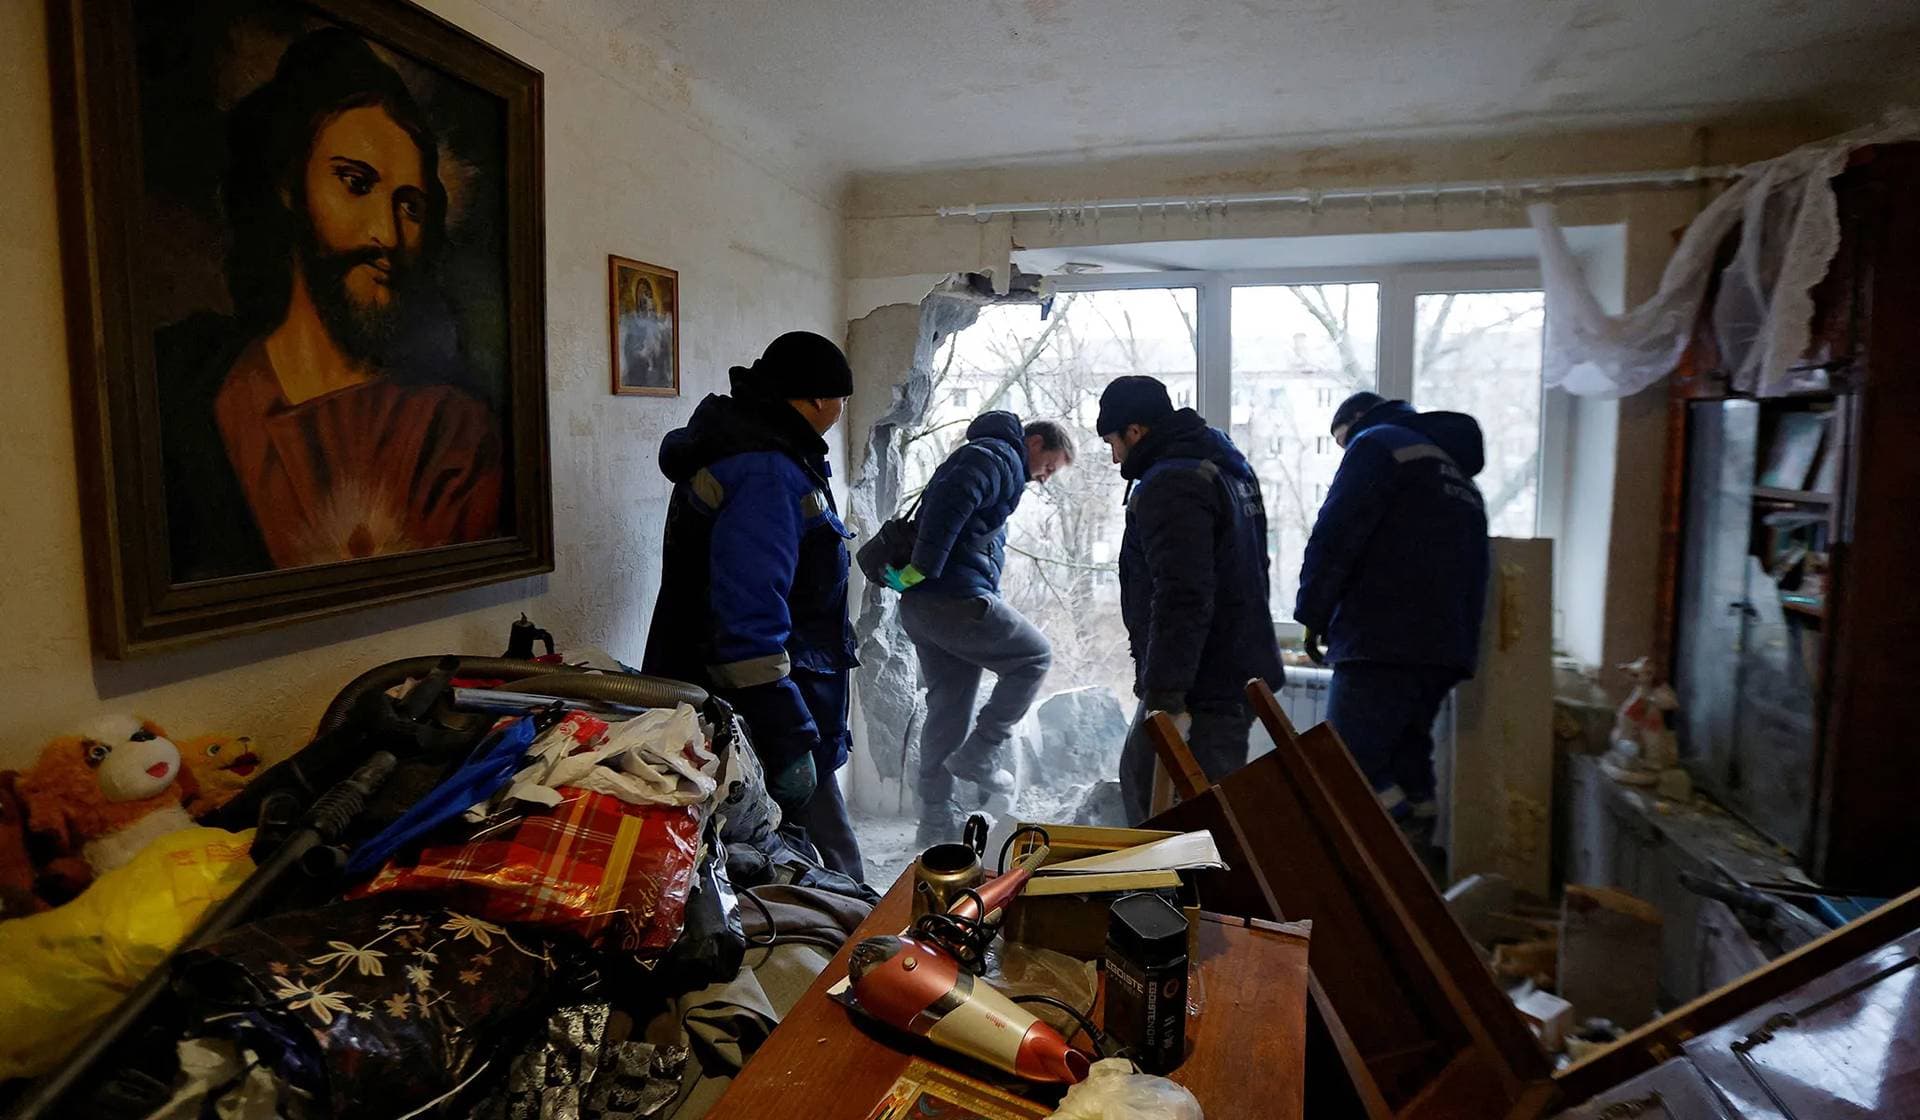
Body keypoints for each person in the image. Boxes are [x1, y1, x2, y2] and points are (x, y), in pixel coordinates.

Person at [156, 28, 502, 581]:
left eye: (409, 207)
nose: (386, 234)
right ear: (291, 186)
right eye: (355, 183)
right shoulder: (192, 383)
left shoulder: (448, 427)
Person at [644, 332, 865, 881]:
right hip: (759, 706)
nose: (840, 412)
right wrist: (788, 737)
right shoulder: (766, 471)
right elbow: (747, 621)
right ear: (816, 399)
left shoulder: (760, 448)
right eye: (840, 400)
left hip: (758, 697)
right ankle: (867, 952)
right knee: (830, 860)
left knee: (778, 859)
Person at [1296, 391, 1490, 873]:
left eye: (1343, 442)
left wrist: (1312, 613)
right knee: (1407, 760)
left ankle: (1391, 856)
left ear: (1357, 422)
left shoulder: (1378, 444)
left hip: (1381, 640)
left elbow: (1338, 531)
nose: (1346, 452)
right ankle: (1419, 868)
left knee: (1345, 765)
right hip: (1444, 648)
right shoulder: (1457, 475)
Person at [1096, 376, 1285, 824]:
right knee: (1164, 789)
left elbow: (1182, 592)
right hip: (1232, 666)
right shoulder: (1224, 464)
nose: (1114, 456)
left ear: (1135, 431)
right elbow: (1255, 567)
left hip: (1204, 681)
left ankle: (1182, 894)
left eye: (1113, 441)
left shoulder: (1173, 482)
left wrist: (1167, 695)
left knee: (1186, 816)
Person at [883, 414, 1075, 845]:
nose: (1044, 478)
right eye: (1049, 466)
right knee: (1034, 656)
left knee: (948, 710)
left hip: (925, 609)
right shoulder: (999, 456)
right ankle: (980, 755)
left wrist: (918, 578)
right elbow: (956, 495)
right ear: (1035, 442)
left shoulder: (987, 455)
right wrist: (922, 569)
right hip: (954, 601)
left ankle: (933, 823)